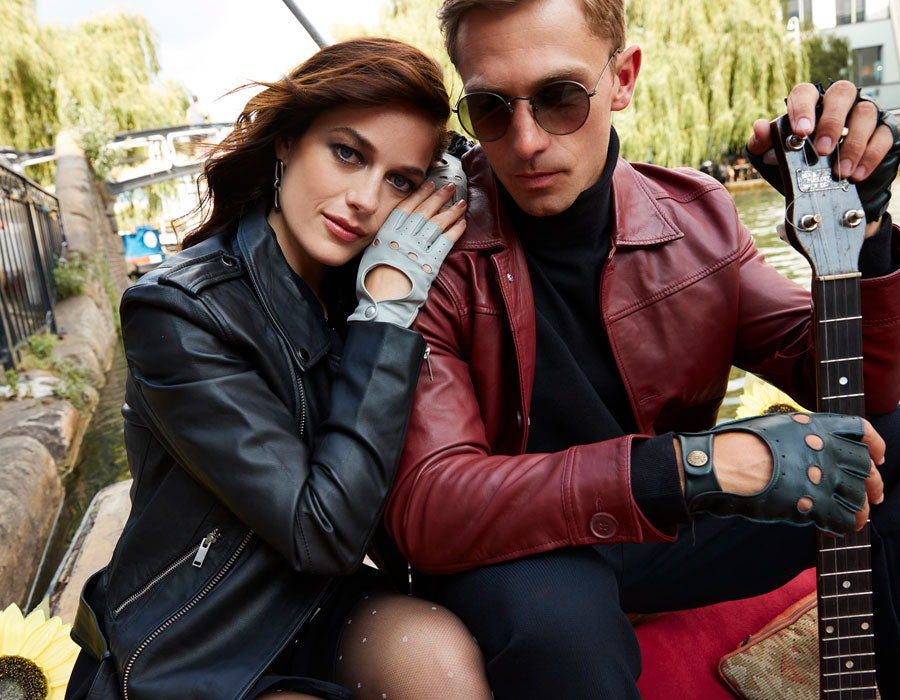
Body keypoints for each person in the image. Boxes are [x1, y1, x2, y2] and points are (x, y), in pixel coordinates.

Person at [382, 0, 900, 697]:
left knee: (885, 440)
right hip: (523, 555)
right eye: (492, 108)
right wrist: (690, 466)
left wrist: (860, 235)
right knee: (558, 623)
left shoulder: (700, 219)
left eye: (562, 97)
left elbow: (858, 391)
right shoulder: (428, 251)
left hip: (669, 532)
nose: (527, 141)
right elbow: (431, 505)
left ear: (622, 78)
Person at [64, 37, 492, 700]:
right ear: (288, 142)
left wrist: (470, 167)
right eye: (347, 153)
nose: (364, 199)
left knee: (438, 658)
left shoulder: (371, 281)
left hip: (319, 601)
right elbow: (321, 529)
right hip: (201, 628)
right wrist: (382, 317)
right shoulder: (178, 312)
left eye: (400, 181)